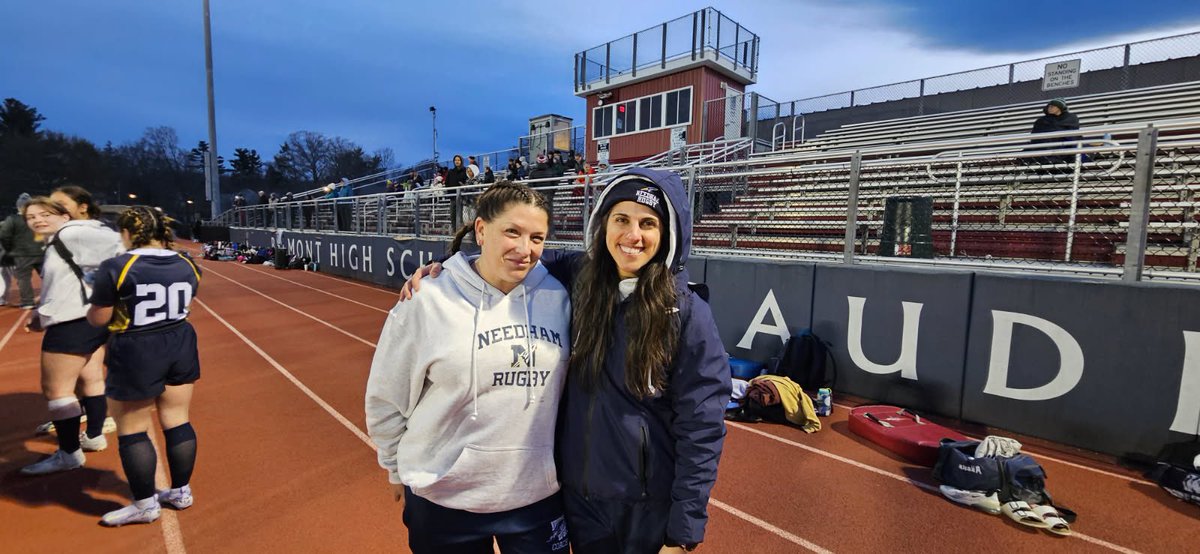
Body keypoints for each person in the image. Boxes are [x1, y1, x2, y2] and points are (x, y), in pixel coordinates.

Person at [403, 168, 731, 553]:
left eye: (648, 224)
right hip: (580, 504)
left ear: (668, 234)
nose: (633, 235)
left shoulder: (687, 312)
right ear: (603, 224)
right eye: (621, 219)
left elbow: (702, 426)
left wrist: (683, 533)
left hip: (645, 511)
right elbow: (514, 253)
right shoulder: (580, 275)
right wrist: (448, 267)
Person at [366, 181, 571, 553]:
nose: (524, 249)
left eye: (537, 238)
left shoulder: (560, 297)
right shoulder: (428, 298)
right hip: (444, 497)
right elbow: (386, 395)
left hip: (535, 497)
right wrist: (394, 467)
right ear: (481, 230)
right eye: (512, 232)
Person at [86, 206, 202, 526]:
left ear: (126, 233)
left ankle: (144, 505)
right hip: (180, 340)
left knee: (132, 428)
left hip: (136, 346)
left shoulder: (117, 266)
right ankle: (181, 492)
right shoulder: (186, 263)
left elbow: (99, 318)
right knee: (177, 419)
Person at [19, 196, 123, 476]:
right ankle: (94, 435)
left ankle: (68, 454)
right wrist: (41, 312)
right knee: (91, 379)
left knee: (57, 390)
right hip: (86, 318)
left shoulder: (72, 233)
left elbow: (119, 246)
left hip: (72, 323)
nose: (37, 220)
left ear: (65, 216)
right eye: (31, 217)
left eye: (45, 214)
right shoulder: (62, 239)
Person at [1, 193, 41, 308]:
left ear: (18, 207)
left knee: (23, 278)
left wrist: (9, 249)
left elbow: (4, 236)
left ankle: (28, 302)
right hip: (41, 252)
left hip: (22, 254)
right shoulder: (39, 219)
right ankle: (52, 299)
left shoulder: (12, 219)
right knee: (48, 276)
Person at [1028, 98, 1082, 165]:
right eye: (1049, 106)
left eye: (1052, 106)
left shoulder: (1070, 117)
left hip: (1062, 144)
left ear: (1060, 108)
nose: (1049, 108)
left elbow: (1073, 133)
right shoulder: (1041, 120)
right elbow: (1034, 135)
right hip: (1043, 144)